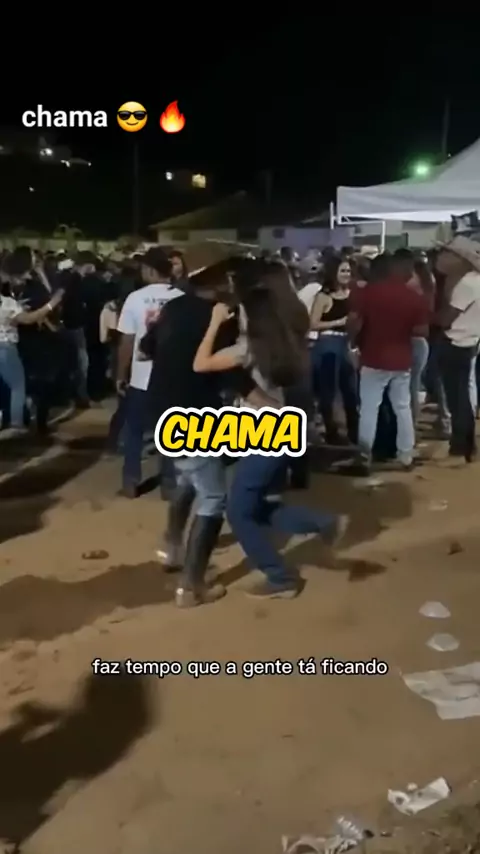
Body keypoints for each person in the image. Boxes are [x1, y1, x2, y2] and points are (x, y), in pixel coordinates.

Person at [193, 258, 349, 600]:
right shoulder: (283, 341)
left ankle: (281, 577)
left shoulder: (248, 349)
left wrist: (215, 322)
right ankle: (321, 523)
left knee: (238, 512)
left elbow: (200, 363)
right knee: (256, 506)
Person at [140, 259, 261, 608]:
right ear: (223, 283)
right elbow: (232, 377)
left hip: (161, 410)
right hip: (194, 415)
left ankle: (171, 547)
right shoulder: (219, 318)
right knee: (213, 498)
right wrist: (272, 405)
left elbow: (147, 348)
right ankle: (191, 586)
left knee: (189, 479)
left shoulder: (174, 306)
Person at [349, 250, 429, 472]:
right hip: (401, 357)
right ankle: (406, 455)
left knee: (369, 408)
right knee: (402, 407)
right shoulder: (414, 297)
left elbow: (354, 322)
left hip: (373, 357)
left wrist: (353, 342)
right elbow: (422, 330)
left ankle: (364, 456)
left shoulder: (368, 293)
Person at [116, 248, 184, 497]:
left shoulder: (135, 298)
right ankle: (169, 482)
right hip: (172, 376)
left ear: (149, 271)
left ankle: (131, 480)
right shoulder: (182, 298)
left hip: (141, 377)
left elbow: (127, 341)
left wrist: (120, 373)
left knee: (135, 430)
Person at [435, 235, 480, 463]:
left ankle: (461, 446)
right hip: (468, 341)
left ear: (460, 259)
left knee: (457, 399)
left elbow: (446, 319)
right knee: (461, 396)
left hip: (455, 342)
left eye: (447, 253)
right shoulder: (472, 281)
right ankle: (466, 445)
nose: (441, 257)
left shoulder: (467, 284)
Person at [310, 256, 358, 444]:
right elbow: (313, 324)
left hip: (346, 344)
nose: (346, 274)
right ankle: (332, 431)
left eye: (348, 271)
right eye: (342, 271)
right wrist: (339, 321)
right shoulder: (323, 296)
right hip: (328, 344)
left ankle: (353, 430)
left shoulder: (352, 294)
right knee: (328, 390)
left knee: (350, 389)